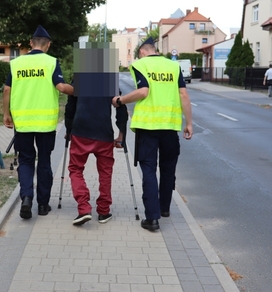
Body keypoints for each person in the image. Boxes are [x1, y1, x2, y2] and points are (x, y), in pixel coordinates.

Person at [112, 37, 193, 232]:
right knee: (167, 169)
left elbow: (143, 92)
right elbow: (183, 95)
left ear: (141, 52)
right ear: (155, 49)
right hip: (170, 127)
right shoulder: (173, 66)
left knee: (148, 170)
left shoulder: (140, 64)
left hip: (147, 127)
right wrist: (188, 123)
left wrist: (120, 100)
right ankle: (164, 208)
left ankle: (152, 218)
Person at [3, 25, 74, 219]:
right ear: (48, 45)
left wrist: (6, 114)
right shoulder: (51, 62)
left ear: (31, 43)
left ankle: (26, 197)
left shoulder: (17, 63)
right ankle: (43, 205)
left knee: (25, 160)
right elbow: (60, 87)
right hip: (45, 124)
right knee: (44, 161)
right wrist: (82, 90)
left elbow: (7, 90)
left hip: (23, 123)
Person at [64, 88, 128, 226]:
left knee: (75, 169)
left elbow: (70, 105)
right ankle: (104, 211)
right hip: (103, 132)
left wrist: (68, 130)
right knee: (105, 172)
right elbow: (121, 107)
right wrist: (122, 134)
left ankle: (83, 208)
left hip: (80, 131)